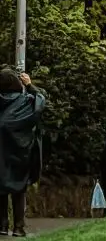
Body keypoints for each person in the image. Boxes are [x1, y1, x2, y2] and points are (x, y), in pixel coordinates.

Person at [0, 68, 45, 239]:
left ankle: (2, 225)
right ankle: (18, 227)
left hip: (1, 155)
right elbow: (40, 103)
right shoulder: (25, 102)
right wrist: (30, 85)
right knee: (19, 191)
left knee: (1, 190)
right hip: (20, 155)